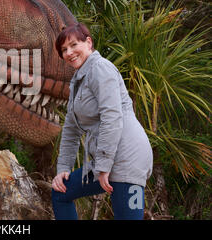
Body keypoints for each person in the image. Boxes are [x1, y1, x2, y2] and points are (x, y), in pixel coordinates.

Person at [52, 23, 153, 220]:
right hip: (104, 162)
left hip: (127, 159)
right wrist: (63, 169)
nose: (69, 52)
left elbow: (112, 117)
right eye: (64, 50)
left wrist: (104, 166)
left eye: (73, 45)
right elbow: (71, 130)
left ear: (88, 43)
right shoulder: (78, 81)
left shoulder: (101, 68)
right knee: (60, 192)